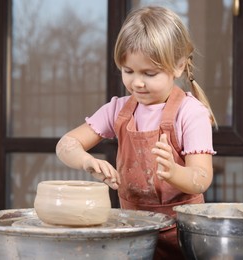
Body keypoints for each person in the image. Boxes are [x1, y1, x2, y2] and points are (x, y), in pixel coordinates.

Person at [56, 5, 216, 260]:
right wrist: (87, 161)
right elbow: (66, 144)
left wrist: (174, 173)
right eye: (128, 71)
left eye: (149, 73)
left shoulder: (190, 113)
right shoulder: (118, 109)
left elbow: (202, 177)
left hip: (184, 237)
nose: (137, 82)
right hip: (134, 232)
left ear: (178, 66)